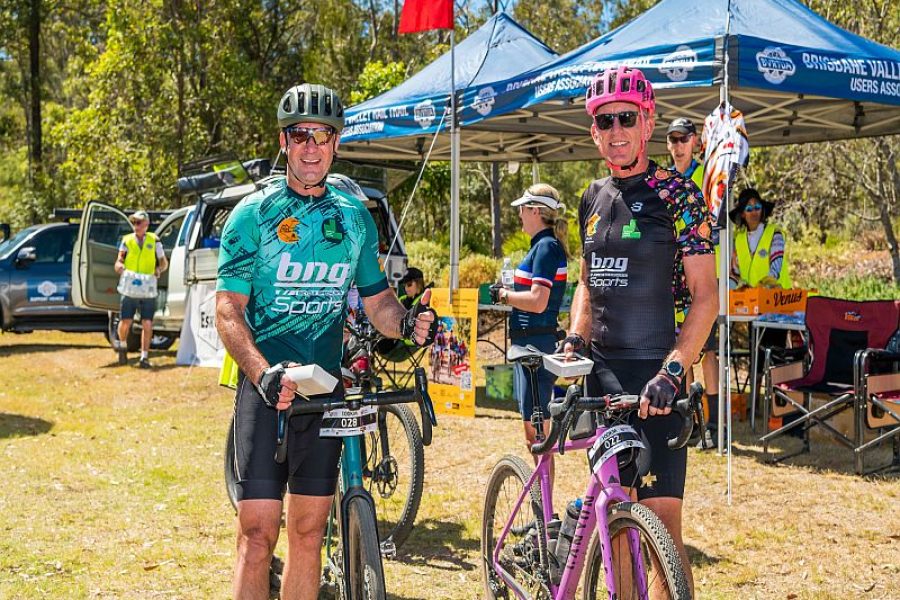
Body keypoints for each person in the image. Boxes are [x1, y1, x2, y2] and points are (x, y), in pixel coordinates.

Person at [215, 83, 436, 600]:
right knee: (256, 534)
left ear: (336, 143)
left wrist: (405, 324)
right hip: (267, 388)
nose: (310, 147)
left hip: (324, 390)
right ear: (284, 141)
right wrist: (261, 372)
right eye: (300, 135)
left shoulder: (354, 217)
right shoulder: (253, 214)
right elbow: (228, 309)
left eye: (322, 135)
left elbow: (378, 300)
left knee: (309, 533)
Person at [564, 66, 717, 594]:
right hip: (602, 378)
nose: (616, 130)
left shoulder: (680, 195)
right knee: (614, 520)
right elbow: (586, 281)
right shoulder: (590, 197)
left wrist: (674, 371)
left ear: (647, 122)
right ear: (593, 131)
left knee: (662, 534)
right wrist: (574, 338)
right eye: (605, 121)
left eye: (626, 118)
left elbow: (706, 298)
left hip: (657, 376)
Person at [490, 183, 570, 473]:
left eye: (522, 209)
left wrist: (503, 295)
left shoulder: (547, 247)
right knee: (533, 437)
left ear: (535, 210)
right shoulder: (541, 246)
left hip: (536, 346)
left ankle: (544, 512)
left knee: (538, 437)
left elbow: (538, 302)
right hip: (528, 346)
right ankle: (541, 509)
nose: (520, 215)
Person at [666, 117, 721, 449]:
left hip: (701, 276)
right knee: (680, 348)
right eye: (672, 140)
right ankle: (689, 420)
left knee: (710, 352)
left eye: (682, 139)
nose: (676, 146)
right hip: (674, 280)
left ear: (695, 141)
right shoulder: (666, 179)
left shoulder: (707, 176)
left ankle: (713, 424)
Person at [113, 210, 168, 369]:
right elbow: (118, 262)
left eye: (138, 223)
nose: (135, 226)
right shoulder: (127, 241)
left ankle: (144, 357)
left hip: (147, 288)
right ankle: (122, 345)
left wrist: (159, 269)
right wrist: (120, 267)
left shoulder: (154, 241)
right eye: (134, 223)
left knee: (147, 323)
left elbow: (163, 262)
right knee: (125, 321)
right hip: (130, 288)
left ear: (146, 224)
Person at [729, 187, 791, 289]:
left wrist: (761, 287)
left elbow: (775, 270)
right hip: (752, 301)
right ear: (743, 214)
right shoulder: (738, 241)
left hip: (780, 298)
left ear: (762, 209)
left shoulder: (775, 234)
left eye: (757, 207)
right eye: (749, 209)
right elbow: (736, 273)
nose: (754, 212)